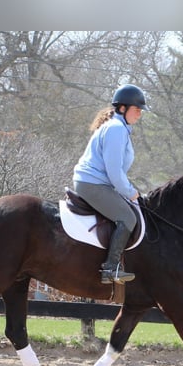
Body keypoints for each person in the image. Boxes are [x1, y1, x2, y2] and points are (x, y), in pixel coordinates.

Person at [73, 83, 150, 284]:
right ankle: (111, 269)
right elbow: (114, 172)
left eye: (141, 110)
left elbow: (118, 172)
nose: (139, 114)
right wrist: (132, 193)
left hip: (97, 183)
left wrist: (130, 190)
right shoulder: (116, 129)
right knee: (127, 217)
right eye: (137, 109)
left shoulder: (120, 128)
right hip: (93, 184)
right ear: (123, 108)